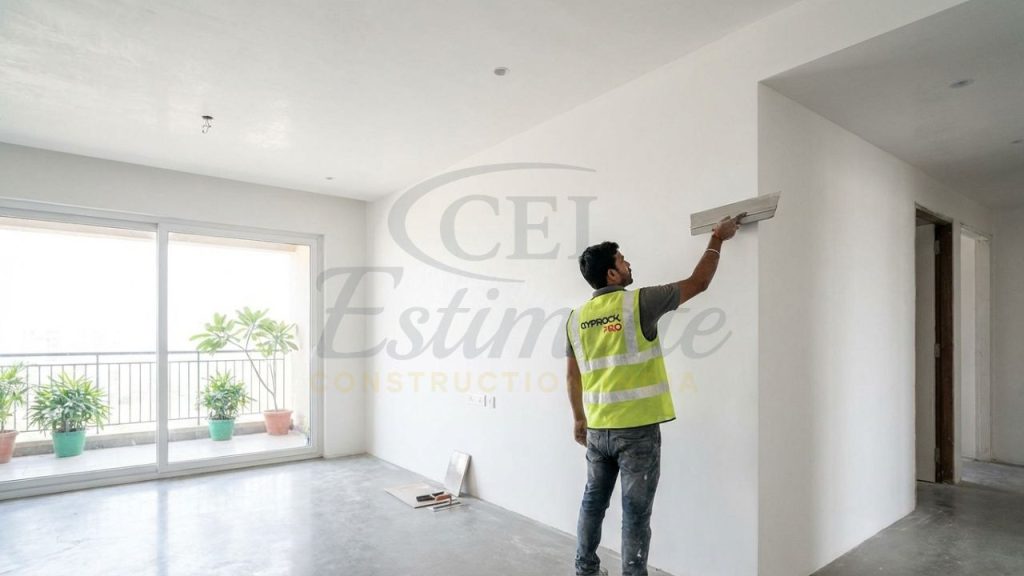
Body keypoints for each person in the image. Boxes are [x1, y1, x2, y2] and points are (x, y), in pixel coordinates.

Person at [565, 214, 744, 576]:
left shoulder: (575, 318)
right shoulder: (639, 303)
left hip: (598, 431)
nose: (628, 264)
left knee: (592, 503)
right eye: (622, 260)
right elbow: (699, 282)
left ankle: (585, 569)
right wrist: (718, 239)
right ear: (613, 275)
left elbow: (572, 375)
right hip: (638, 433)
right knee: (635, 514)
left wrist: (579, 419)